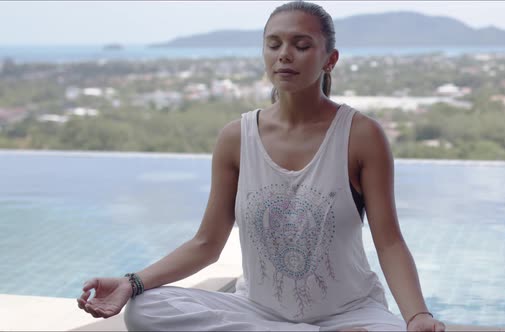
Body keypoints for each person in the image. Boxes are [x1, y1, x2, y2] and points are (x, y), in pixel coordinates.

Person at [77, 1, 446, 331]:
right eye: (274, 44)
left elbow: (390, 242)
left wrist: (417, 316)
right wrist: (131, 282)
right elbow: (207, 243)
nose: (285, 55)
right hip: (256, 312)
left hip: (350, 315)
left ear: (330, 59)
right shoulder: (236, 137)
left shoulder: (361, 135)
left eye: (301, 46)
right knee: (146, 310)